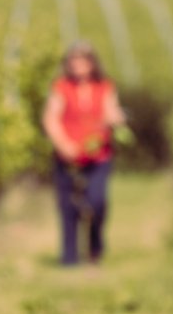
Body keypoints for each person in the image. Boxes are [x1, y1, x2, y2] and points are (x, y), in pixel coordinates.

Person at [42, 42, 125, 266]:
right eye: (73, 61)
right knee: (68, 206)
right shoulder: (61, 87)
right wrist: (64, 145)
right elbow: (51, 119)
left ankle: (95, 244)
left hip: (99, 157)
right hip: (68, 157)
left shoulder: (105, 86)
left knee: (97, 201)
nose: (78, 65)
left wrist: (115, 119)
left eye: (83, 60)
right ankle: (69, 258)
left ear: (92, 63)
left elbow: (112, 111)